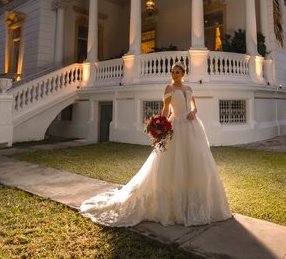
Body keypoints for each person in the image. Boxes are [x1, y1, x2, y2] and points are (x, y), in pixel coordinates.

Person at [79, 62, 232, 227]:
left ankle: (195, 203)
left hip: (192, 127)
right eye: (172, 72)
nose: (174, 74)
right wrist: (161, 126)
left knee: (196, 162)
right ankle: (173, 205)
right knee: (173, 162)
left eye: (177, 72)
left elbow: (195, 107)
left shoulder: (188, 88)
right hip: (176, 126)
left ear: (183, 74)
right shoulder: (169, 89)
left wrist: (193, 113)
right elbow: (166, 110)